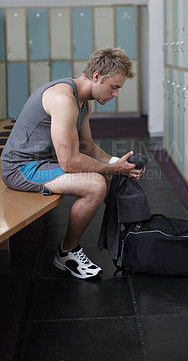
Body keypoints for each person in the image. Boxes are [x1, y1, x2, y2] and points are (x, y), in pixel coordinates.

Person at [1, 47, 145, 279]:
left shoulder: (83, 101)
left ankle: (130, 236)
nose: (115, 94)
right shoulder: (63, 99)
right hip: (20, 168)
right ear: (96, 76)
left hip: (45, 162)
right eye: (114, 87)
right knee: (95, 184)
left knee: (111, 174)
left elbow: (86, 146)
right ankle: (67, 252)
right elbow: (69, 162)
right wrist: (110, 168)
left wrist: (120, 164)